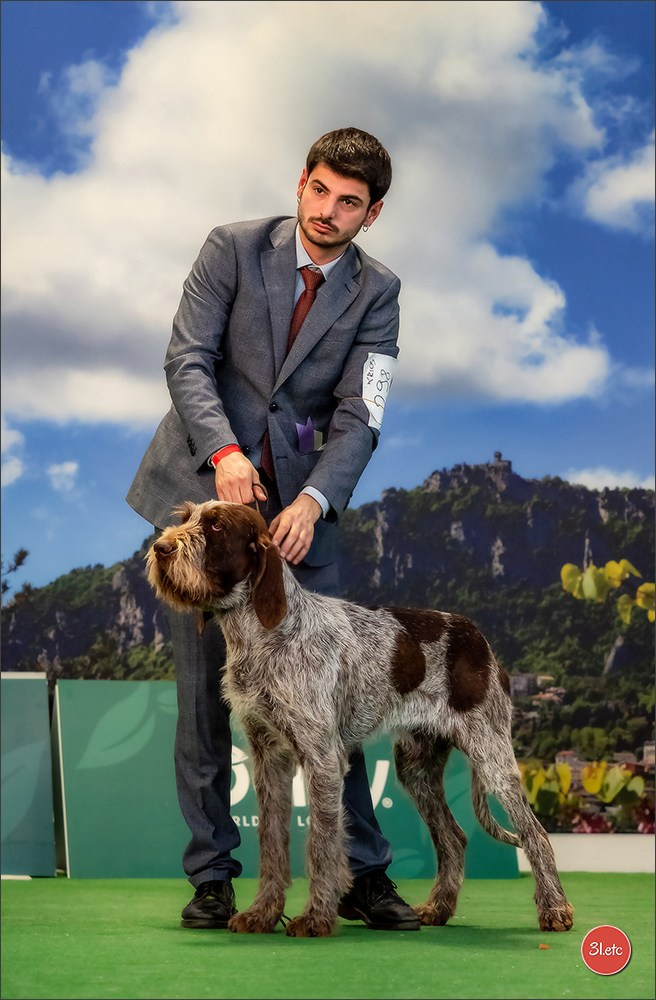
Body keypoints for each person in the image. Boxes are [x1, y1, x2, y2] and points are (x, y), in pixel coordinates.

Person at [126, 126, 419, 932]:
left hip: (292, 526)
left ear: (374, 212)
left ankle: (363, 875)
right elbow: (187, 359)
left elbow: (362, 416)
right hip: (200, 502)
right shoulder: (231, 247)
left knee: (335, 706)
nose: (328, 211)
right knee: (203, 706)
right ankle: (213, 878)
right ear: (302, 182)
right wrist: (223, 450)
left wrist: (315, 501)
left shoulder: (380, 293)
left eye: (349, 202)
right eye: (319, 191)